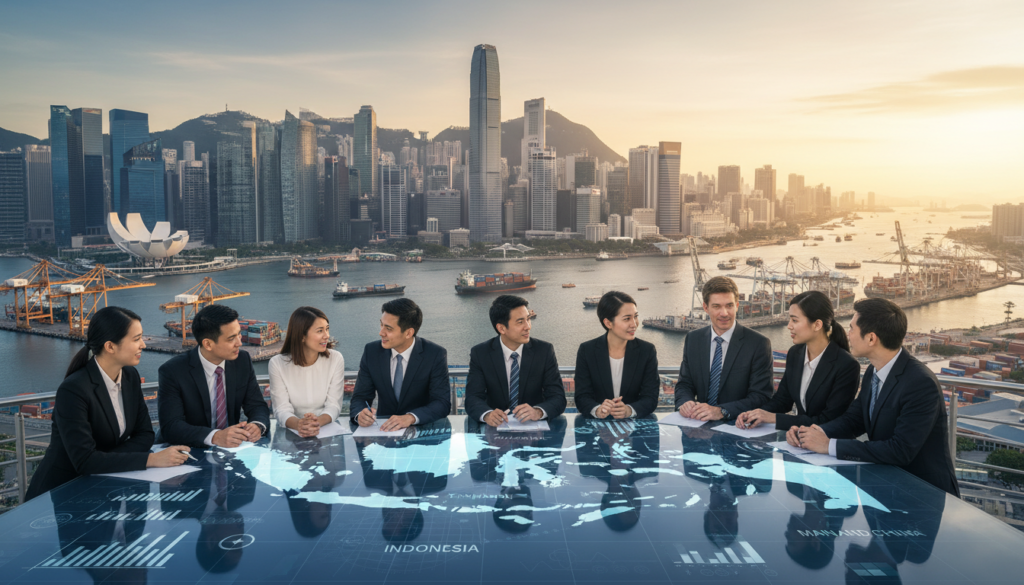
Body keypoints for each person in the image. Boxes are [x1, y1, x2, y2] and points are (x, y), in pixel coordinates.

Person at [788, 298, 960, 496]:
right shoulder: (873, 371)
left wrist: (829, 445)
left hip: (923, 493)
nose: (848, 335)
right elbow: (855, 419)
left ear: (871, 339)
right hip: (888, 486)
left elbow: (900, 450)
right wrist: (811, 433)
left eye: (851, 329)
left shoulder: (920, 383)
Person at [26, 307, 189, 501]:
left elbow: (145, 435)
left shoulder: (129, 376)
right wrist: (151, 459)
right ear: (110, 346)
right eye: (136, 339)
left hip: (106, 486)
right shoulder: (74, 390)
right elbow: (85, 461)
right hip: (65, 493)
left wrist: (103, 459)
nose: (143, 345)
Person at [736, 290, 859, 430]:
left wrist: (774, 418)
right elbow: (783, 400)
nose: (789, 325)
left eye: (794, 320)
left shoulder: (846, 365)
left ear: (817, 325)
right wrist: (756, 414)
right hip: (797, 440)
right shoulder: (796, 353)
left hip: (826, 444)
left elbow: (828, 420)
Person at [158, 304, 271, 448]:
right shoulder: (172, 371)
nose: (239, 343)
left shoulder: (242, 360)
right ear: (208, 344)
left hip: (231, 450)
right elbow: (171, 427)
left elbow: (256, 405)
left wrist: (257, 425)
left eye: (239, 334)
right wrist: (215, 436)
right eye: (231, 339)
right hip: (189, 451)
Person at [674, 276, 773, 422]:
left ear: (737, 305)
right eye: (717, 306)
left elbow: (761, 396)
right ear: (706, 307)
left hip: (738, 427)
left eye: (729, 306)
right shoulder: (693, 339)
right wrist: (685, 403)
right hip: (698, 427)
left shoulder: (758, 344)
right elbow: (684, 384)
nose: (724, 313)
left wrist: (721, 411)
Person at [349, 298, 451, 431]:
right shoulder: (371, 351)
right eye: (381, 325)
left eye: (388, 328)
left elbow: (441, 403)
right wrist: (360, 415)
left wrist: (410, 417)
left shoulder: (434, 354)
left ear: (408, 333)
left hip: (422, 432)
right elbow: (360, 397)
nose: (381, 332)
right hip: (384, 432)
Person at [464, 295, 566, 426]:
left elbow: (558, 398)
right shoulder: (481, 353)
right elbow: (473, 397)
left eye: (528, 319)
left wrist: (538, 412)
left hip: (534, 431)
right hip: (495, 431)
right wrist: (487, 414)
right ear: (501, 328)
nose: (528, 326)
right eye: (520, 322)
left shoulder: (544, 351)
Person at [574, 291, 660, 419]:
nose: (634, 324)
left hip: (634, 428)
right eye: (627, 319)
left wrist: (629, 410)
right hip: (597, 428)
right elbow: (581, 396)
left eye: (635, 316)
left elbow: (651, 397)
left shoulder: (647, 351)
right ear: (608, 323)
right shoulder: (587, 350)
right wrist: (598, 409)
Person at [268, 306, 345, 438]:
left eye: (327, 329)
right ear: (302, 336)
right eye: (320, 331)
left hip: (326, 431)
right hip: (291, 435)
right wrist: (299, 424)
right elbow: (281, 409)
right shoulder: (277, 363)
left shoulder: (335, 359)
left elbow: (334, 405)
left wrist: (315, 423)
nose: (326, 336)